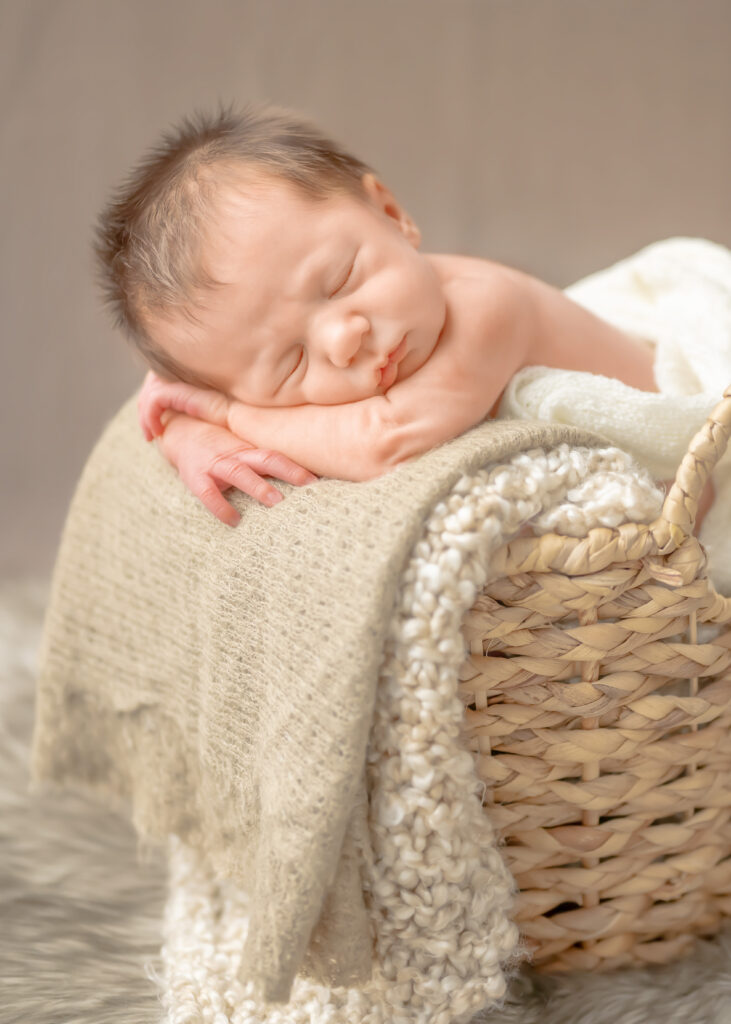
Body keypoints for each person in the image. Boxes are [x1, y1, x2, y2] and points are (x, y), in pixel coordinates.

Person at [97, 105, 708, 528]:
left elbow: (385, 441)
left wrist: (228, 414)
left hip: (697, 474)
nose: (343, 340)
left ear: (391, 214)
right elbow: (186, 394)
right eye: (291, 363)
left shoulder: (490, 308)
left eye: (340, 281)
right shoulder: (294, 346)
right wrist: (189, 429)